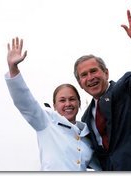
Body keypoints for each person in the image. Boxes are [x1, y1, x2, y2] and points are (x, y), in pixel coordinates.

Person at [73, 7, 131, 171]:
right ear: (80, 83)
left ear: (106, 73)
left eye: (94, 71)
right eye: (84, 75)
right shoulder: (86, 119)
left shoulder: (127, 88)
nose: (90, 78)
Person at [5, 37, 101, 171]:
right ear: (54, 106)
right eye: (62, 100)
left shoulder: (87, 136)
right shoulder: (47, 122)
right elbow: (24, 101)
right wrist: (13, 68)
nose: (68, 104)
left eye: (72, 99)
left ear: (79, 104)